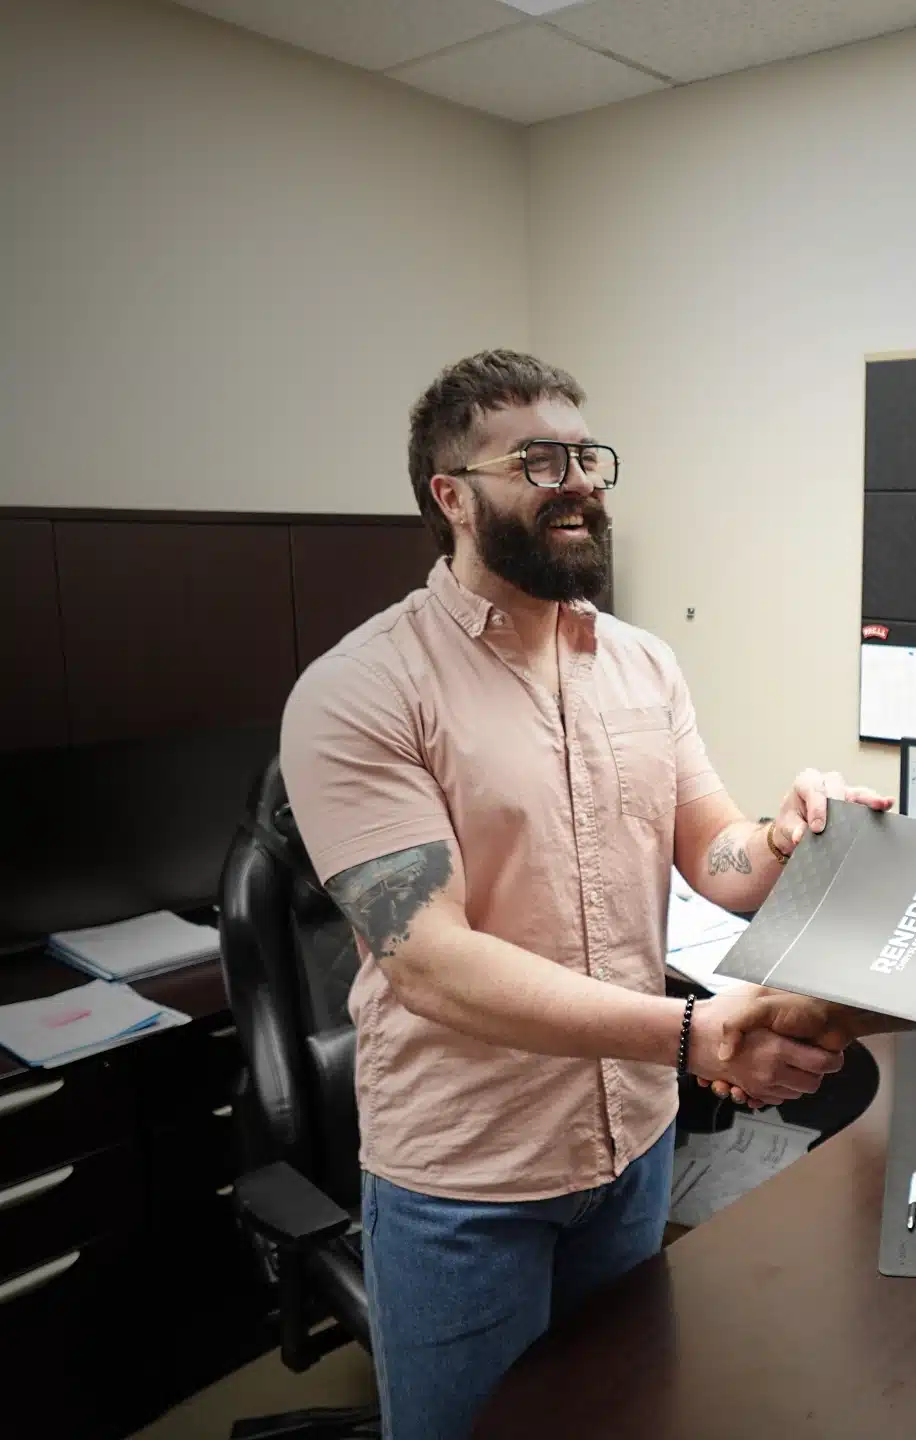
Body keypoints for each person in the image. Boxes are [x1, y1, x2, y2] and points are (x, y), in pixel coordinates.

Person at [279, 350, 884, 1440]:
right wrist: (693, 1036)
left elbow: (720, 860)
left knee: (612, 1419)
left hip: (631, 1156)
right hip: (469, 1184)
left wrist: (799, 835)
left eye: (588, 456)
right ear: (451, 496)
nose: (581, 481)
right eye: (539, 459)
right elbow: (429, 960)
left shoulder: (642, 667)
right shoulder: (362, 690)